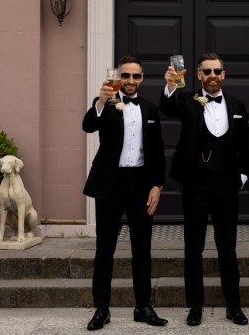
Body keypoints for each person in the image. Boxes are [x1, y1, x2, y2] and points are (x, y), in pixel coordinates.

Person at [159, 52, 249, 327]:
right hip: (196, 184)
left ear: (224, 75)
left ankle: (233, 306)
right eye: (207, 72)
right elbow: (168, 107)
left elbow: (246, 145)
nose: (212, 76)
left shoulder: (237, 104)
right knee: (193, 247)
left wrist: (243, 177)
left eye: (217, 71)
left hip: (227, 185)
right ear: (198, 75)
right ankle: (195, 306)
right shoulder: (187, 101)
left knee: (228, 248)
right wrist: (172, 84)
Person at [82, 55, 168, 331]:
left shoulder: (151, 109)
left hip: (141, 184)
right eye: (126, 76)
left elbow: (157, 151)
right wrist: (99, 101)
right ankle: (101, 309)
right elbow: (88, 125)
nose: (131, 81)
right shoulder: (105, 104)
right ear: (119, 77)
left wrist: (157, 185)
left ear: (142, 79)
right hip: (111, 182)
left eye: (136, 76)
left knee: (142, 249)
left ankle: (143, 306)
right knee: (104, 249)